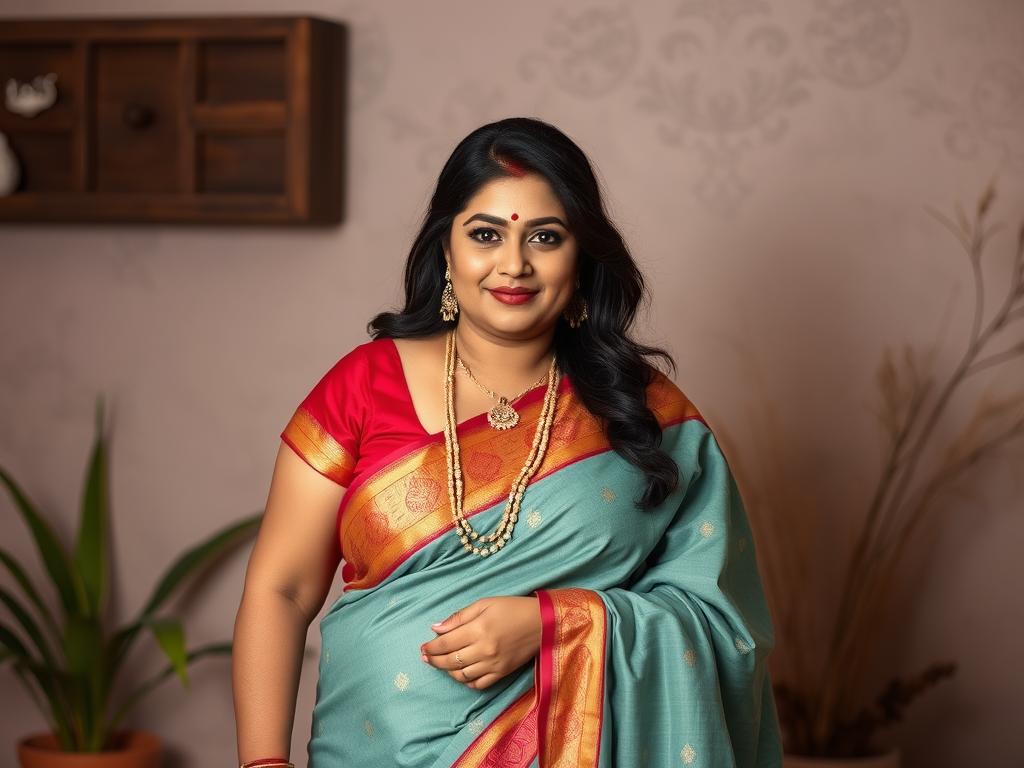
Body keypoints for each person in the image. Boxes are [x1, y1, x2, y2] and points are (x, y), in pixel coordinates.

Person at [232, 116, 783, 768]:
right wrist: (263, 764)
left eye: (545, 237)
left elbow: (723, 626)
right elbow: (283, 589)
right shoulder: (363, 384)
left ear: (580, 259)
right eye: (486, 234)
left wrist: (555, 626)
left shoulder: (647, 415)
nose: (514, 264)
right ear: (446, 250)